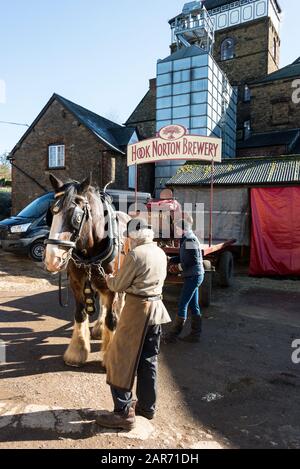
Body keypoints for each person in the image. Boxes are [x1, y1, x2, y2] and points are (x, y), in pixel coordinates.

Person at [95, 218, 171, 431]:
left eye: (128, 237)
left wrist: (109, 278)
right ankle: (147, 407)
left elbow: (118, 285)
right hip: (157, 311)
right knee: (148, 361)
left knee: (120, 359)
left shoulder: (136, 255)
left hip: (137, 312)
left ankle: (122, 413)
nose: (127, 241)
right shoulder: (160, 252)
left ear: (134, 236)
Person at [164, 216, 204, 344]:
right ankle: (195, 335)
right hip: (193, 275)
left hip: (194, 276)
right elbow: (184, 257)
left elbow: (193, 260)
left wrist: (177, 267)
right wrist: (170, 259)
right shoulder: (186, 239)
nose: (175, 231)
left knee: (182, 304)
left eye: (176, 229)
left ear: (182, 229)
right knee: (193, 305)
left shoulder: (190, 240)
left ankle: (173, 335)